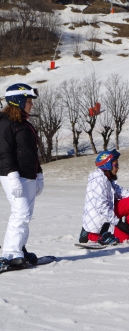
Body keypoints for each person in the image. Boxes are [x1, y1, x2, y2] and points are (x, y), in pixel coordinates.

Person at [0, 83, 43, 269]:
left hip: (28, 175)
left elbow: (31, 151)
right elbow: (4, 152)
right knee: (20, 213)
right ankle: (10, 254)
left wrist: (39, 173)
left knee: (26, 215)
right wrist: (12, 175)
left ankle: (19, 248)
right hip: (13, 176)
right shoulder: (5, 123)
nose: (31, 104)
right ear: (17, 101)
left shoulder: (24, 124)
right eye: (28, 101)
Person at [79, 149, 129, 245]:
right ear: (107, 165)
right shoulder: (98, 182)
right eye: (115, 165)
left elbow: (121, 192)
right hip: (99, 219)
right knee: (123, 238)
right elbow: (102, 207)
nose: (117, 168)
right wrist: (118, 223)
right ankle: (90, 234)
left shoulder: (107, 179)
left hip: (109, 213)